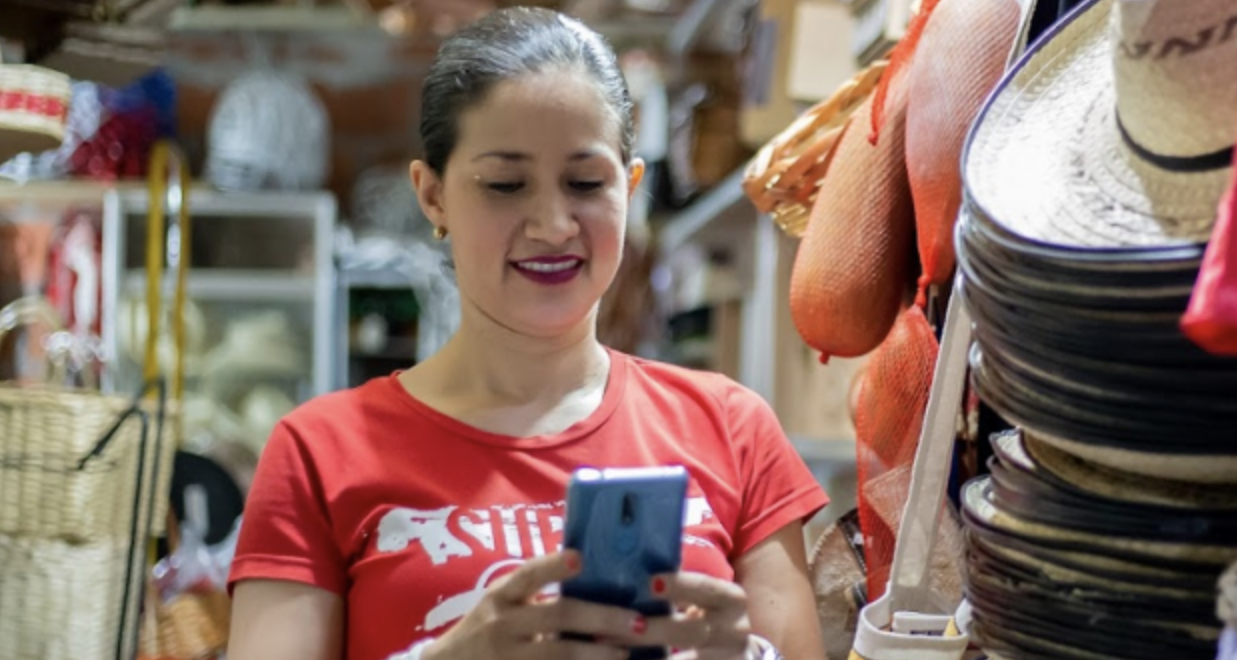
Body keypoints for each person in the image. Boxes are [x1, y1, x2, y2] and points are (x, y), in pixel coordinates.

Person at [224, 8, 830, 660]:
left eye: (586, 183)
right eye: (506, 184)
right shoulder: (318, 455)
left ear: (629, 190)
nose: (551, 224)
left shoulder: (733, 431)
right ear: (432, 196)